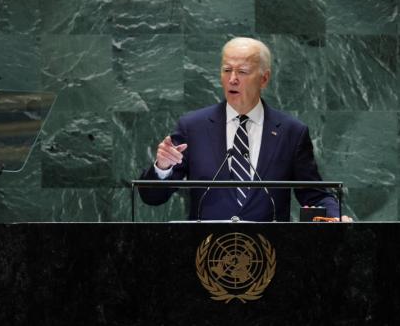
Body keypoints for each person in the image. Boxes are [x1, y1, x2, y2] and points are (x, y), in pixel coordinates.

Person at [139, 37, 347, 222]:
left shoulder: (291, 132)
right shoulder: (193, 127)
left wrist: (335, 217)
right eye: (227, 70)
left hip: (269, 253)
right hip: (207, 251)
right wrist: (162, 167)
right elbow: (152, 198)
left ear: (264, 79)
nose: (232, 79)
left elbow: (314, 194)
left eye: (242, 72)